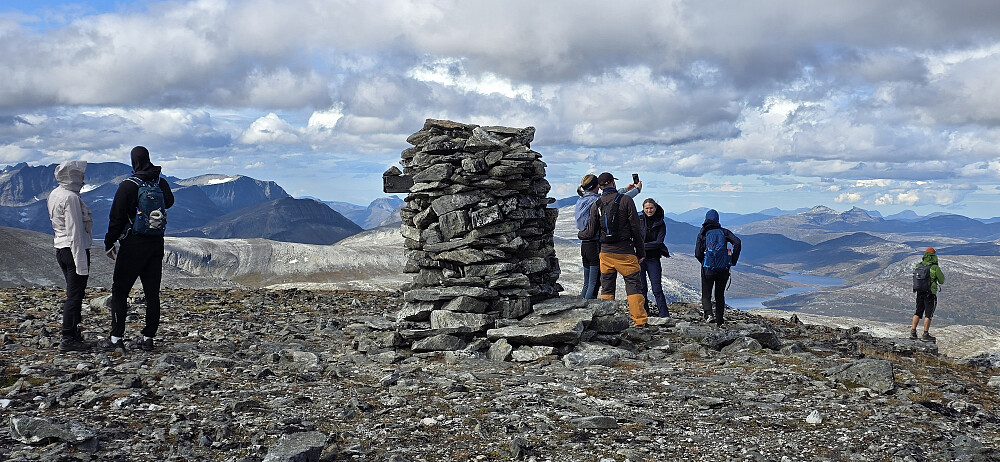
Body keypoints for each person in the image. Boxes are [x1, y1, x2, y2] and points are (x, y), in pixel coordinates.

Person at [102, 146, 175, 352]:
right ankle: (148, 338)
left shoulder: (128, 185)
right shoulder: (160, 182)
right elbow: (169, 202)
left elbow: (116, 217)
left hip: (132, 244)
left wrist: (109, 242)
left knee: (120, 290)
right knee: (152, 292)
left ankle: (116, 337)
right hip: (156, 243)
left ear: (134, 161)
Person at [578, 172, 647, 327]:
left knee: (607, 287)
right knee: (633, 285)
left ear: (600, 186)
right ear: (613, 183)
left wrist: (579, 234)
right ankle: (639, 322)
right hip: (625, 252)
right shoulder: (626, 200)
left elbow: (590, 232)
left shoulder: (597, 204)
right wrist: (640, 251)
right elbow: (636, 228)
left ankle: (605, 321)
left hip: (605, 254)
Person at [47, 161, 94, 352]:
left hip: (61, 248)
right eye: (79, 176)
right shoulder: (71, 198)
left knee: (73, 293)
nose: (82, 180)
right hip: (73, 249)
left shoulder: (55, 193)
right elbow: (75, 232)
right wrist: (81, 262)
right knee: (75, 295)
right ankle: (68, 337)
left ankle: (73, 333)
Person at [694, 209, 741, 327]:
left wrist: (704, 262)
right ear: (717, 220)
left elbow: (697, 253)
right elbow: (737, 242)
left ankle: (709, 315)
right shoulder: (724, 232)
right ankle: (719, 321)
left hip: (708, 269)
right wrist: (732, 261)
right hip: (723, 269)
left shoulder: (703, 234)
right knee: (719, 295)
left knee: (706, 294)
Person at [638, 198, 670, 318]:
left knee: (657, 288)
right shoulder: (639, 220)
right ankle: (645, 313)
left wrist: (641, 246)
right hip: (640, 259)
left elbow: (659, 242)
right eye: (646, 208)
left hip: (653, 259)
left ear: (655, 208)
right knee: (642, 288)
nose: (649, 210)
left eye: (651, 208)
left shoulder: (660, 223)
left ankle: (664, 315)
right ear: (643, 209)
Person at [911, 247, 945, 342]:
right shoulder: (934, 268)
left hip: (919, 292)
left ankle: (913, 332)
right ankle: (925, 334)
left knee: (918, 312)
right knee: (928, 314)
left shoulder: (919, 265)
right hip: (930, 293)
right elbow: (941, 281)